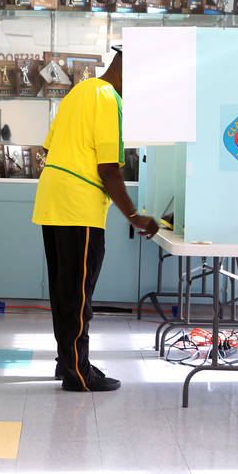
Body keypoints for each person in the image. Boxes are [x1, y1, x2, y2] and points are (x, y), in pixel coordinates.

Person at [32, 48, 158, 392]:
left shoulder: (80, 91)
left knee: (64, 290)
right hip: (78, 206)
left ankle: (67, 361)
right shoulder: (108, 99)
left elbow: (49, 148)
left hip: (53, 198)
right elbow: (109, 171)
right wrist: (136, 217)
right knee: (78, 295)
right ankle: (78, 373)